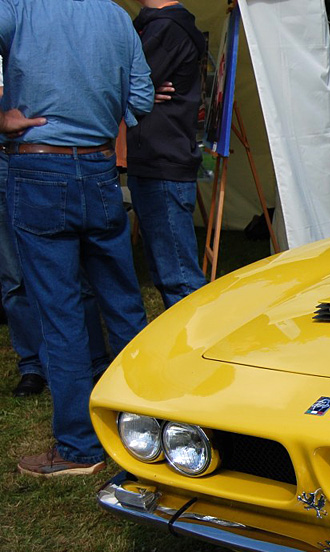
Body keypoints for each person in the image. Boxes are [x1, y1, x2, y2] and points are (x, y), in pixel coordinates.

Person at [0, 0, 154, 477]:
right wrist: (104, 117)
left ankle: (78, 446)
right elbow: (143, 97)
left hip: (41, 167)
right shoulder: (113, 15)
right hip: (99, 166)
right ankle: (147, 430)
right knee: (124, 304)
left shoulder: (20, 7)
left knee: (60, 312)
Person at [127, 0, 208, 309]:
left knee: (179, 278)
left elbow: (129, 83)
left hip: (163, 164)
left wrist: (135, 92)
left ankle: (199, 349)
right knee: (169, 272)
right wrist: (138, 91)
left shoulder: (167, 28)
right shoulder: (156, 25)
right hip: (158, 161)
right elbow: (136, 85)